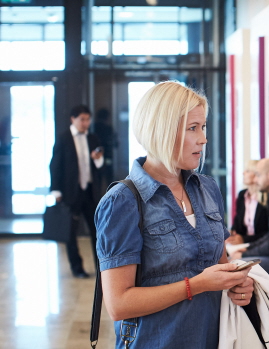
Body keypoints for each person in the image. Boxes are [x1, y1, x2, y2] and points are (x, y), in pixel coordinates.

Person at [94, 81, 254, 348]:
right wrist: (197, 285)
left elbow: (220, 267)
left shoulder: (207, 189)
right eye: (193, 128)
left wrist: (238, 285)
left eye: (203, 127)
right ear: (161, 130)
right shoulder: (122, 202)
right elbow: (118, 305)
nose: (203, 138)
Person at [49, 105, 103, 278]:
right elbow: (55, 166)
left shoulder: (93, 138)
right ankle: (77, 268)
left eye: (88, 119)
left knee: (97, 231)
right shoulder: (63, 138)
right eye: (82, 119)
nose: (85, 123)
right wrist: (56, 191)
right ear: (73, 119)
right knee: (70, 233)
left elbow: (99, 166)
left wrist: (98, 159)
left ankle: (101, 268)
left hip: (89, 191)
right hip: (70, 192)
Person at [239, 158, 269, 280]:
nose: (255, 179)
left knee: (238, 265)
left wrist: (244, 254)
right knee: (236, 262)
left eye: (258, 175)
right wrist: (248, 248)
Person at [226, 160, 269, 250]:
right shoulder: (242, 195)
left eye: (247, 171)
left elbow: (268, 233)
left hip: (260, 245)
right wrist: (232, 233)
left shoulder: (266, 198)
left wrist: (244, 239)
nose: (243, 173)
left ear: (256, 175)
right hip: (243, 245)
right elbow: (238, 223)